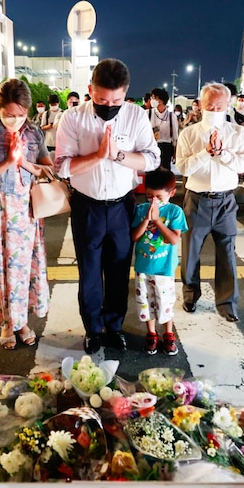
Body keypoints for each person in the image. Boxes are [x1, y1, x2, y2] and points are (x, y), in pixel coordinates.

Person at [55, 58, 160, 354]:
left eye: (116, 100)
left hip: (122, 206)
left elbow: (152, 159)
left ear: (126, 94)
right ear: (90, 90)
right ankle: (93, 328)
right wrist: (99, 156)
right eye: (101, 99)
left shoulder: (136, 116)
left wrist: (118, 156)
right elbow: (62, 166)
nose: (109, 105)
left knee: (117, 270)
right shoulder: (73, 118)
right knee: (89, 271)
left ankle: (114, 327)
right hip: (86, 206)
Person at [0, 79, 52, 349]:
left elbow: (48, 170)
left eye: (21, 115)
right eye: (9, 115)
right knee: (3, 268)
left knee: (27, 267)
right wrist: (7, 161)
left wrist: (24, 161)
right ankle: (7, 323)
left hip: (27, 209)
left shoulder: (34, 133)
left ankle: (23, 322)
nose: (15, 120)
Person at [176, 82, 244, 322]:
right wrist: (206, 153)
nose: (214, 109)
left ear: (228, 104)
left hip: (226, 200)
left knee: (227, 252)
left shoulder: (237, 133)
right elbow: (182, 166)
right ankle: (190, 295)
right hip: (196, 200)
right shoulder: (189, 133)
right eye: (209, 104)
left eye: (219, 105)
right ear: (200, 104)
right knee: (190, 253)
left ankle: (227, 302)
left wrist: (222, 153)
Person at [131, 168, 187, 355]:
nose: (153, 201)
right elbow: (135, 237)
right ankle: (151, 333)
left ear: (172, 193)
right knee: (146, 301)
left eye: (158, 197)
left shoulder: (174, 211)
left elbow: (174, 239)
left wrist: (159, 221)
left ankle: (169, 334)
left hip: (164, 269)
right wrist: (147, 219)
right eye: (149, 196)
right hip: (143, 267)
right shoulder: (140, 210)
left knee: (165, 302)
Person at [148, 87, 179, 170]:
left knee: (164, 172)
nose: (151, 100)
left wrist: (175, 152)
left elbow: (175, 137)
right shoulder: (148, 113)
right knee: (151, 172)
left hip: (166, 147)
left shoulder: (171, 116)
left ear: (161, 100)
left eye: (154, 98)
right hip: (151, 146)